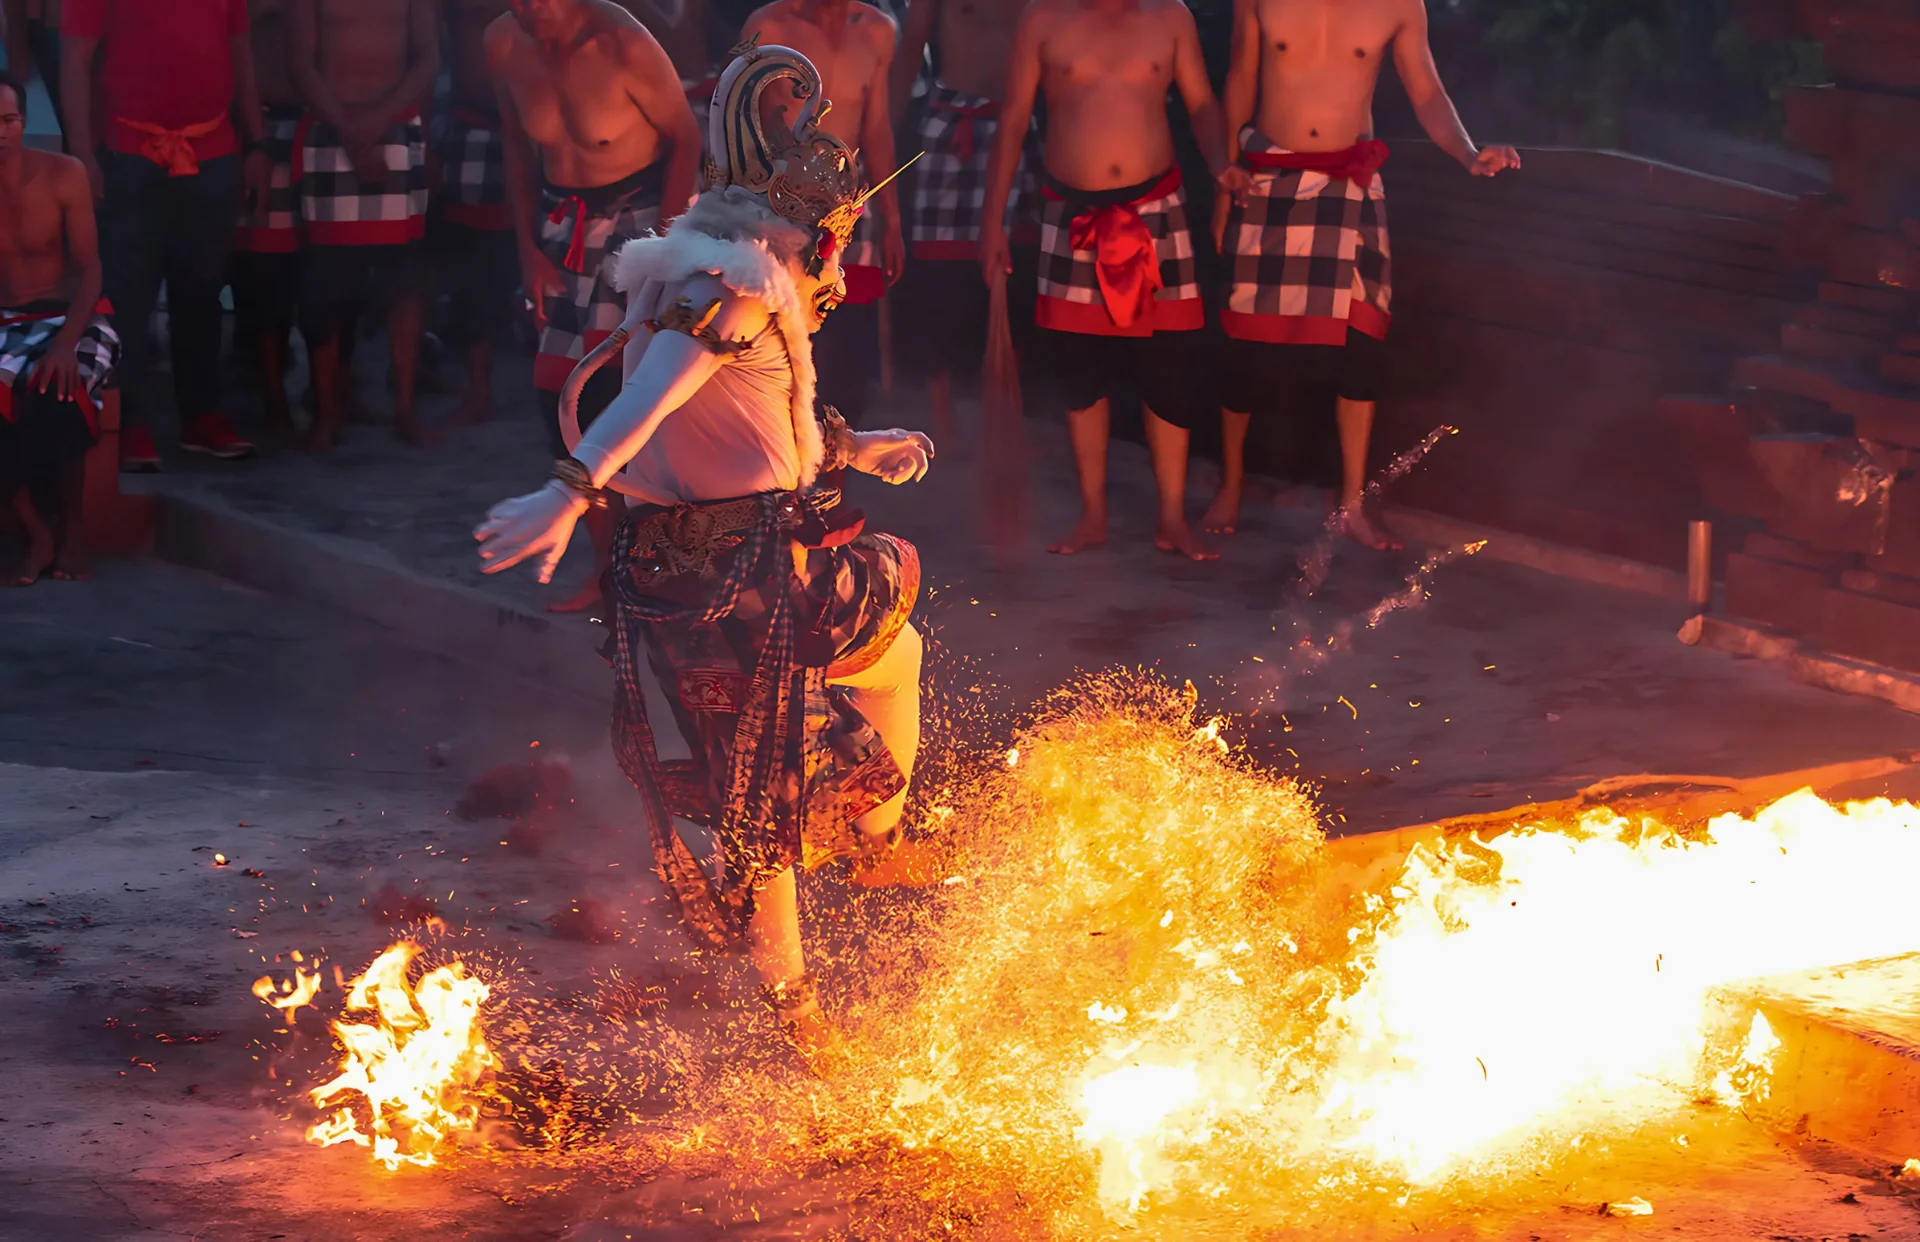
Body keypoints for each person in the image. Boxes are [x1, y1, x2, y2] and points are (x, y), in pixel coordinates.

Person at [475, 45, 936, 1070]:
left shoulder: (707, 273)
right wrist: (572, 484)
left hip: (683, 576)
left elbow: (741, 425)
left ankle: (815, 959)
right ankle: (864, 884)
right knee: (885, 605)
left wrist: (857, 448)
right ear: (810, 231)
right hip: (747, 584)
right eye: (840, 244)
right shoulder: (725, 293)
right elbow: (655, 399)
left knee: (762, 786)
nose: (843, 268)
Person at [1206, 0, 1518, 548]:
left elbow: (1426, 91)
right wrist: (1221, 183)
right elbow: (1240, 78)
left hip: (1349, 184)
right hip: (1268, 177)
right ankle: (1230, 484)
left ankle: (1350, 503)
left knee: (1361, 342)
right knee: (1247, 343)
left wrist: (1468, 155)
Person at [978, 0, 1229, 561]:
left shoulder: (1171, 17)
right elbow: (1014, 119)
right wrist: (991, 222)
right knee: (1080, 367)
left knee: (1170, 363)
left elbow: (1203, 104)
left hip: (1157, 210)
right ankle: (1093, 514)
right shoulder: (1043, 18)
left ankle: (1171, 517)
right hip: (1071, 215)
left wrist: (1220, 164)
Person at [488, 0, 701, 613]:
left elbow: (686, 139)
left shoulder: (623, 45)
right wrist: (526, 243)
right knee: (560, 401)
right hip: (559, 228)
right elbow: (514, 144)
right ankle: (608, 572)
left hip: (638, 230)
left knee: (626, 398)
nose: (534, 8)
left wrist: (663, 252)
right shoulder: (502, 44)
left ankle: (655, 569)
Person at [62, 0, 268, 470]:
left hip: (213, 150)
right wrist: (80, 154)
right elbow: (74, 59)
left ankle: (202, 415)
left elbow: (240, 49)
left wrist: (257, 141)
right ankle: (126, 420)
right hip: (129, 152)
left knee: (202, 289)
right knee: (127, 294)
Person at [742, 0, 904, 429]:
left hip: (849, 205)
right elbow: (738, 127)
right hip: (777, 204)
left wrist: (893, 220)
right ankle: (781, 478)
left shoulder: (877, 30)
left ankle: (836, 482)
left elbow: (876, 128)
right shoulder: (768, 25)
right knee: (775, 341)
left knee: (846, 352)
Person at [288, 0, 439, 450]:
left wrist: (378, 119)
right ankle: (328, 413)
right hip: (330, 128)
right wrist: (348, 127)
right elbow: (300, 62)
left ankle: (405, 409)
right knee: (325, 284)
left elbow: (428, 57)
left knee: (405, 281)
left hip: (395, 126)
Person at [889, 0, 1034, 440]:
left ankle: (1005, 418)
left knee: (1015, 265)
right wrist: (886, 133)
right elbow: (911, 48)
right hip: (950, 122)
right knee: (938, 273)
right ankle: (941, 420)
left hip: (1019, 119)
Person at [0, 74, 117, 584]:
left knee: (60, 392)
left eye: (7, 120)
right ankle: (33, 529)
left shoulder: (64, 174)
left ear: (23, 123)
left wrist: (67, 344)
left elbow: (91, 270)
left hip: (76, 313)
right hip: (6, 322)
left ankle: (73, 527)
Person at [433, 0, 516, 427]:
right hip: (469, 127)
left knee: (544, 260)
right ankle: (478, 390)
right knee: (473, 266)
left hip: (538, 125)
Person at [229, 0, 303, 436]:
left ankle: (335, 393)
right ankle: (271, 396)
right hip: (258, 123)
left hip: (325, 117)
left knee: (329, 266)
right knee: (262, 267)